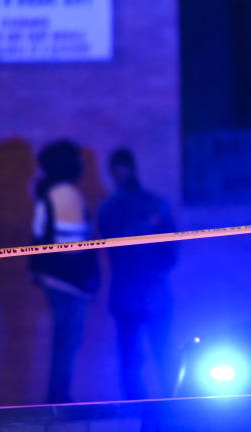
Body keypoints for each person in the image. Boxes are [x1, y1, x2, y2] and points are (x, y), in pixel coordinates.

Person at [97, 148, 178, 400]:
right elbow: (115, 244)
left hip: (145, 290)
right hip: (135, 291)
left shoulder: (149, 204)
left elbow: (170, 249)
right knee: (137, 357)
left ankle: (168, 402)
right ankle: (146, 404)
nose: (120, 174)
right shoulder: (119, 207)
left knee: (156, 354)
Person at [30, 138, 100, 403]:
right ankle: (58, 400)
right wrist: (87, 278)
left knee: (66, 342)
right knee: (66, 343)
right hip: (67, 281)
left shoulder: (51, 193)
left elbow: (41, 236)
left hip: (63, 280)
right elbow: (72, 243)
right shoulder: (62, 194)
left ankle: (58, 398)